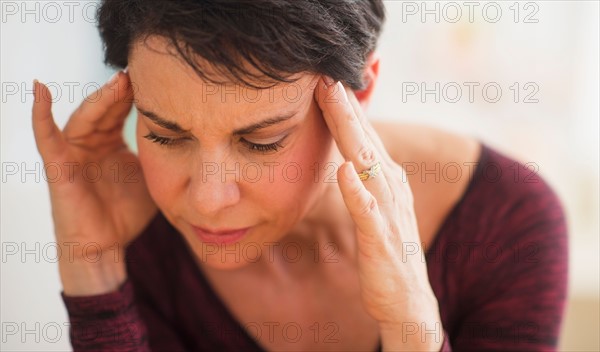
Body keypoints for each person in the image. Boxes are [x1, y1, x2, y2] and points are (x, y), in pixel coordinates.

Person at [31, 1, 568, 351]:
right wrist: (95, 270)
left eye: (261, 141)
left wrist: (413, 326)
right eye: (167, 135)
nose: (207, 200)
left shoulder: (506, 223)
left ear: (359, 93)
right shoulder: (137, 223)